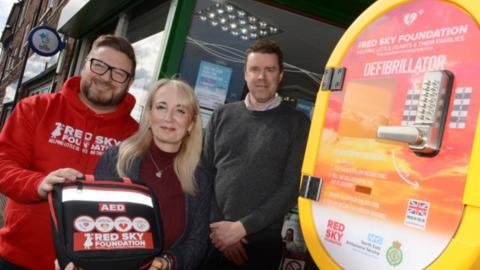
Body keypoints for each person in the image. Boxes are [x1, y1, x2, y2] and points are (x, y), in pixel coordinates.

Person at [0, 35, 139, 270]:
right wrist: (39, 183)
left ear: (129, 81)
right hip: (18, 257)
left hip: (88, 264)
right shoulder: (35, 108)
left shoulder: (136, 136)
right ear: (85, 64)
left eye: (119, 73)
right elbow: (3, 166)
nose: (106, 77)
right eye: (99, 65)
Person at [60, 79, 210, 270]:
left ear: (191, 123)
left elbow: (196, 242)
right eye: (161, 107)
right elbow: (90, 224)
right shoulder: (115, 159)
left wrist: (167, 263)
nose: (169, 117)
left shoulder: (200, 179)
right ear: (149, 114)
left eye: (180, 110)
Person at [201, 39, 310, 269]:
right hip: (212, 239)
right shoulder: (221, 115)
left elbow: (291, 187)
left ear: (280, 76)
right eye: (255, 69)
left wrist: (240, 229)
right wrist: (220, 230)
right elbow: (204, 173)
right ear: (245, 73)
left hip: (260, 247)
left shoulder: (297, 123)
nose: (262, 77)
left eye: (270, 70)